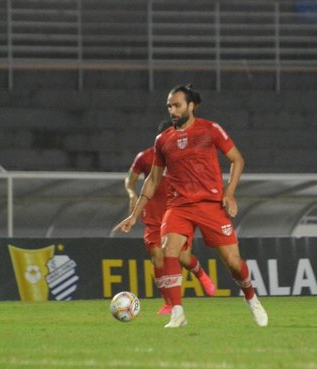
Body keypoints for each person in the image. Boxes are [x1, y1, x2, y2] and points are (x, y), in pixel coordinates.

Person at [114, 84, 268, 328]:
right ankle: (178, 312)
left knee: (233, 262)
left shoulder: (210, 130)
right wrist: (135, 215)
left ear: (190, 106)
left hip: (210, 204)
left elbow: (237, 159)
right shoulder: (163, 140)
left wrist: (230, 192)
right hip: (179, 206)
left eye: (177, 105)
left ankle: (251, 297)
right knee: (168, 250)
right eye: (169, 106)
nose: (172, 110)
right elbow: (153, 180)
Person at [125, 120, 215, 315]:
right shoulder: (145, 158)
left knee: (182, 257)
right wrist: (132, 194)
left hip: (177, 214)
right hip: (153, 216)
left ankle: (200, 273)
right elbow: (130, 180)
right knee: (158, 259)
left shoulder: (185, 156)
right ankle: (169, 303)